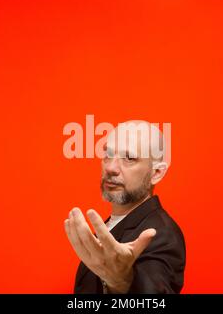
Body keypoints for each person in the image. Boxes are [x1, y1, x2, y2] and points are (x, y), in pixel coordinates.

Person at [64, 120, 186, 293]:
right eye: (108, 154)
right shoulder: (112, 225)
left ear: (156, 173)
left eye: (129, 158)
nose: (111, 168)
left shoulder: (161, 234)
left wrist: (122, 283)